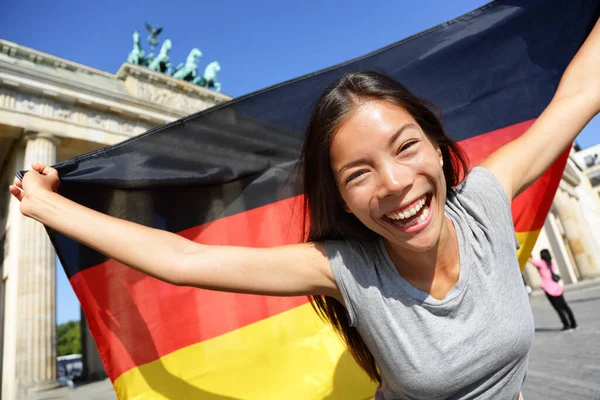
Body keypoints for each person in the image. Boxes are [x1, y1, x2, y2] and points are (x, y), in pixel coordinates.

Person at [9, 17, 600, 400]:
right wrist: (45, 206)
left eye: (406, 147)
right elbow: (184, 260)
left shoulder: (486, 202)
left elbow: (576, 98)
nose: (394, 184)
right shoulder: (346, 268)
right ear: (340, 196)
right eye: (358, 173)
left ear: (442, 150)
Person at [529, 250, 578, 331]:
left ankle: (566, 325)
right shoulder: (551, 263)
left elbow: (531, 261)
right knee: (565, 306)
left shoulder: (541, 263)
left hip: (549, 288)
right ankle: (573, 323)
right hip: (557, 287)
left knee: (558, 308)